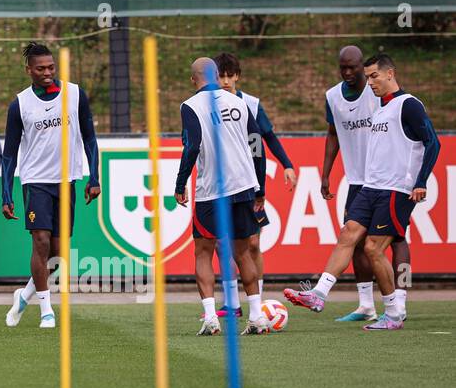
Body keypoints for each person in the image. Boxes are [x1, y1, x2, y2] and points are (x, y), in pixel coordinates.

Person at [286, 54, 439, 330]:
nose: (370, 83)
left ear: (390, 73)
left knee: (373, 248)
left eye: (374, 76)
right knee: (348, 234)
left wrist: (421, 181)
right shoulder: (380, 108)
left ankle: (393, 313)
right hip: (371, 187)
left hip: (396, 189)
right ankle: (318, 294)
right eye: (367, 77)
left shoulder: (409, 105)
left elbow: (433, 143)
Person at [1, 44, 99, 329]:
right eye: (40, 68)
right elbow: (9, 153)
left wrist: (95, 177)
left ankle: (24, 296)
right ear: (29, 70)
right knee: (40, 242)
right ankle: (46, 310)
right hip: (35, 181)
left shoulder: (75, 94)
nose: (47, 73)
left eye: (51, 67)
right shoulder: (19, 104)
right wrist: (7, 194)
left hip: (67, 179)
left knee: (57, 255)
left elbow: (90, 138)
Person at [174, 58, 269, 336]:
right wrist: (259, 187)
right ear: (217, 75)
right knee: (243, 252)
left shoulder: (191, 106)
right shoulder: (239, 102)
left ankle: (210, 317)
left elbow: (191, 146)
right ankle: (256, 316)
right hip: (243, 187)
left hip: (211, 192)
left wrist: (180, 184)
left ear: (193, 80)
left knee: (203, 252)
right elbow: (257, 145)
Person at [213, 52, 297, 311]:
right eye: (221, 76)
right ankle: (231, 302)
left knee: (252, 243)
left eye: (230, 75)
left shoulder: (250, 103)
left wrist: (287, 164)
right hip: (221, 184)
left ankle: (256, 301)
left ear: (237, 76)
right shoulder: (209, 104)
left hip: (250, 184)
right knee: (221, 244)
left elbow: (268, 138)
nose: (226, 81)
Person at [319, 45, 390, 322]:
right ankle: (366, 305)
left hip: (386, 179)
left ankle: (398, 305)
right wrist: (326, 173)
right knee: (357, 243)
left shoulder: (378, 93)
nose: (348, 72)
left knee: (391, 243)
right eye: (343, 68)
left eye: (353, 67)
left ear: (363, 66)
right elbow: (333, 134)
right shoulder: (333, 96)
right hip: (357, 181)